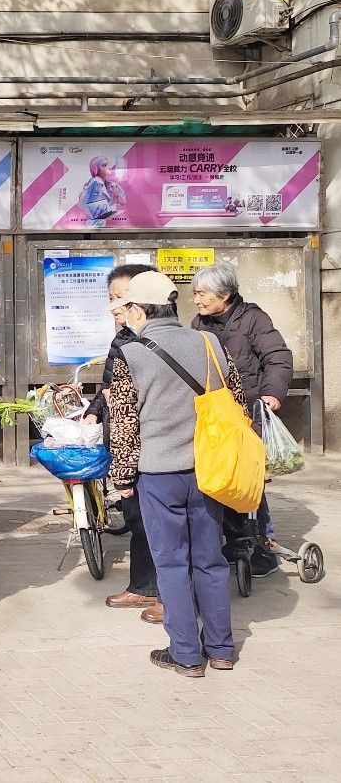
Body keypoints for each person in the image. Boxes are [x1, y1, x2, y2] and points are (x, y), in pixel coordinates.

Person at [107, 271, 246, 677]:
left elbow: (124, 421)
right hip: (209, 469)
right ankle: (221, 651)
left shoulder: (130, 354)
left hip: (158, 475)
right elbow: (235, 401)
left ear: (139, 310)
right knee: (211, 561)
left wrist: (122, 477)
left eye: (128, 307)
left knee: (170, 565)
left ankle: (186, 654)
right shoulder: (210, 342)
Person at [191, 263, 292, 577]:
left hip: (249, 413)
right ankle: (233, 542)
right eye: (195, 293)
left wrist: (272, 393)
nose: (196, 300)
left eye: (202, 294)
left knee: (249, 480)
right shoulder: (199, 323)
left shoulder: (253, 319)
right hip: (216, 416)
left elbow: (278, 357)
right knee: (220, 477)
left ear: (225, 294)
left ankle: (263, 546)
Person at [83, 263, 162, 623]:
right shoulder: (123, 339)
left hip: (156, 444)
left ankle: (169, 594)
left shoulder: (160, 340)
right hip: (127, 444)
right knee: (136, 516)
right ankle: (144, 585)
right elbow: (108, 387)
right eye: (110, 298)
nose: (112, 307)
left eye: (119, 299)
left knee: (159, 521)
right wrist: (95, 412)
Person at [80, 156, 127, 228]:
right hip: (93, 225)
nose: (108, 167)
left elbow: (123, 201)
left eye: (107, 164)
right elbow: (82, 202)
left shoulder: (112, 184)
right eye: (104, 165)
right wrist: (94, 215)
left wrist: (115, 189)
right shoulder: (94, 182)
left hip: (107, 224)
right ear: (96, 169)